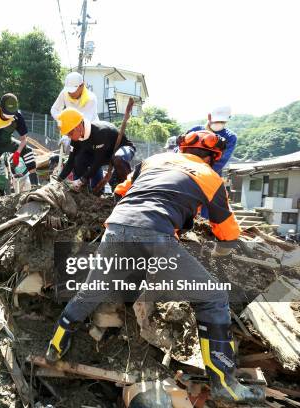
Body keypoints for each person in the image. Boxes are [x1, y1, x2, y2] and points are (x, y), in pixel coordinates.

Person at [46, 130, 263, 404]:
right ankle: (224, 384)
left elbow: (120, 190)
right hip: (157, 236)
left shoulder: (153, 161)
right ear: (212, 156)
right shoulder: (210, 177)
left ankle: (55, 347)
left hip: (117, 227)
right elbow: (228, 232)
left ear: (181, 148)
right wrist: (220, 253)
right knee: (212, 298)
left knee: (92, 289)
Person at [56, 108, 135, 191]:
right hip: (102, 154)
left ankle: (128, 189)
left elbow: (97, 162)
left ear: (78, 126)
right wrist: (58, 180)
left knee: (118, 159)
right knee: (79, 160)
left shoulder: (100, 132)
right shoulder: (76, 138)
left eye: (70, 133)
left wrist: (81, 180)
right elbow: (70, 161)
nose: (69, 137)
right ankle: (85, 193)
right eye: (67, 134)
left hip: (121, 149)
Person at [0, 93, 39, 207]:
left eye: (11, 114)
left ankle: (35, 187)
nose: (8, 117)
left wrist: (17, 153)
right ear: (0, 108)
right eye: (6, 114)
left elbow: (24, 139)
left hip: (8, 142)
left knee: (28, 151)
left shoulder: (18, 116)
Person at [187, 106, 237, 175]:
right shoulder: (195, 130)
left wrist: (204, 174)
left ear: (227, 119)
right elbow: (179, 148)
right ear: (209, 117)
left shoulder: (230, 137)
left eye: (222, 122)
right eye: (216, 121)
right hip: (187, 169)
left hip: (210, 174)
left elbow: (221, 161)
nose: (219, 123)